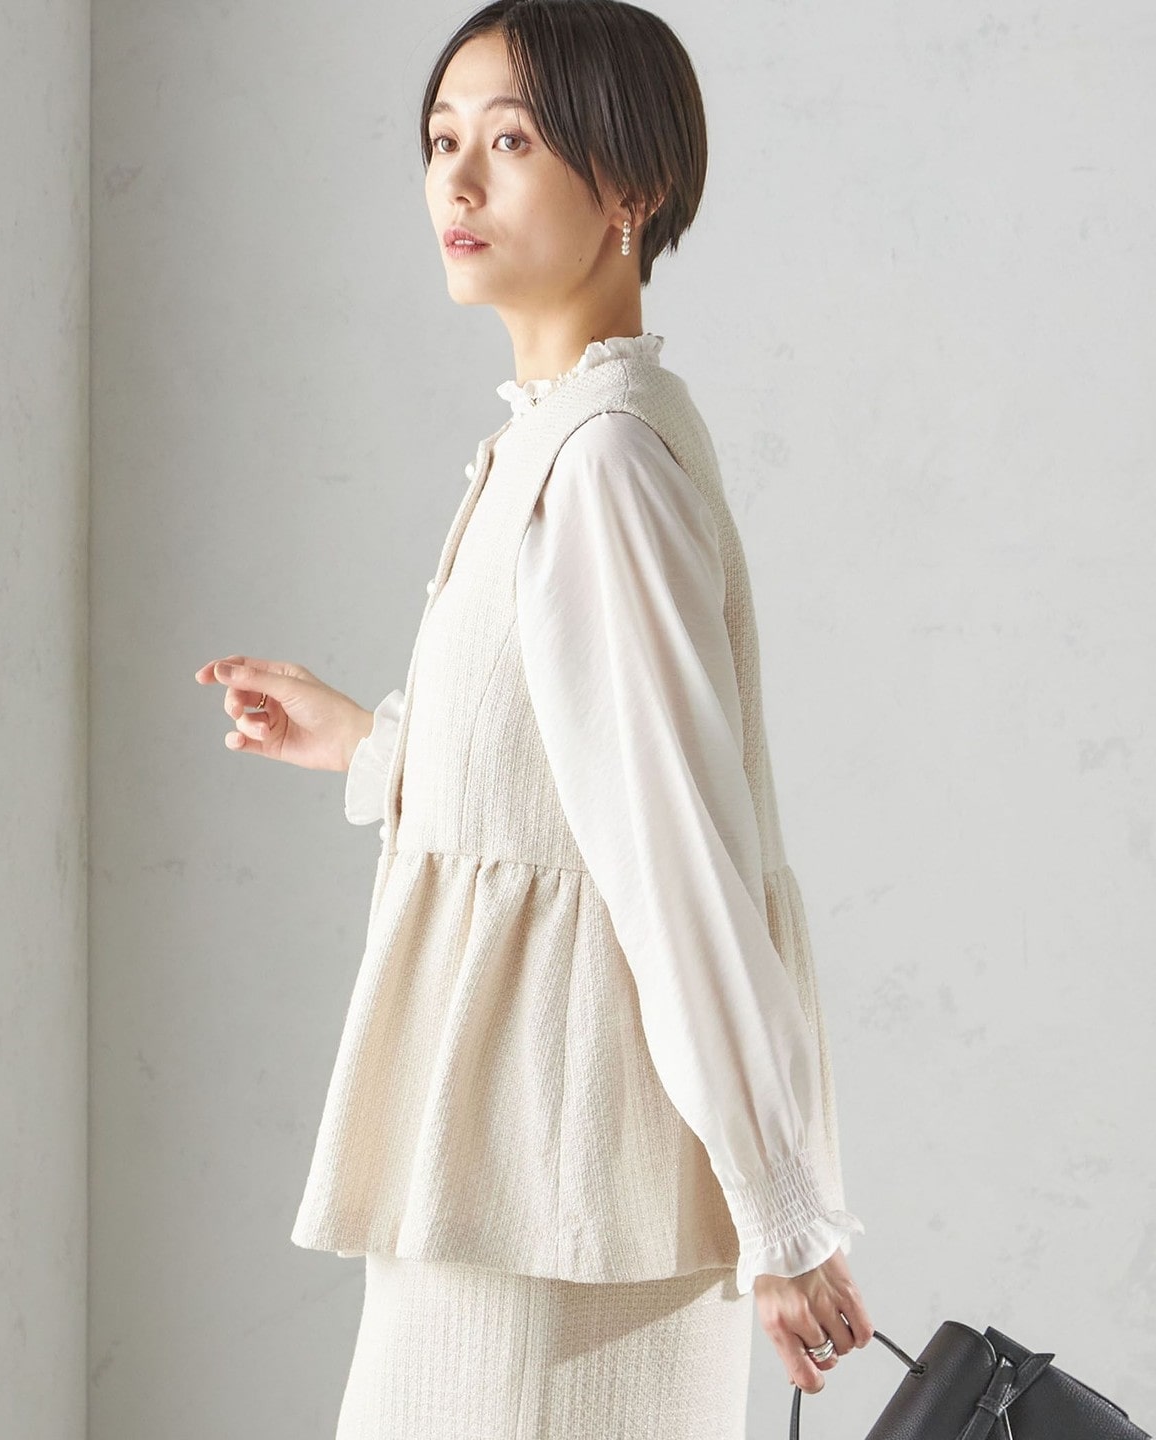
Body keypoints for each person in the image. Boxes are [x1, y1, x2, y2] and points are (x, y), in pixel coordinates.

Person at [195, 1, 875, 1433]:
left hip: (558, 1211)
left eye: (509, 142)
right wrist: (366, 745)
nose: (455, 178)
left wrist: (782, 1212)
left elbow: (675, 854)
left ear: (633, 186)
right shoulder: (557, 435)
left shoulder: (602, 461)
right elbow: (559, 787)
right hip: (526, 1185)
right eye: (441, 140)